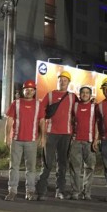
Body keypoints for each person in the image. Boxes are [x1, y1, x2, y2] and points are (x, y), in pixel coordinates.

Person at [36, 70, 76, 200]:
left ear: (69, 82)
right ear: (57, 81)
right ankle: (41, 191)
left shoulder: (73, 96)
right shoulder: (50, 94)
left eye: (65, 80)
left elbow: (80, 111)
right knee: (47, 162)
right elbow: (41, 111)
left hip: (66, 134)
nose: (62, 82)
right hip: (51, 134)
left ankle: (60, 190)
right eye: (61, 79)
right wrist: (41, 133)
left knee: (62, 164)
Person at [4, 79, 43, 202]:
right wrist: (7, 136)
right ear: (23, 90)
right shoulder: (15, 103)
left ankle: (30, 191)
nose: (29, 92)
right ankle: (12, 191)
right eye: (27, 89)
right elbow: (9, 120)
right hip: (16, 140)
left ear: (34, 91)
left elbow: (42, 122)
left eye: (32, 90)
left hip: (32, 141)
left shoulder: (38, 104)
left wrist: (43, 137)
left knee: (31, 168)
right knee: (13, 167)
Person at [68, 85, 97, 200]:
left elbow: (97, 124)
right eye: (83, 92)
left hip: (89, 141)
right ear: (79, 94)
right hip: (76, 141)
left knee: (90, 168)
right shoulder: (74, 106)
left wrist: (96, 139)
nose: (85, 94)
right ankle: (75, 192)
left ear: (90, 95)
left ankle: (87, 192)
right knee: (75, 168)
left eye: (87, 93)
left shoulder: (95, 106)